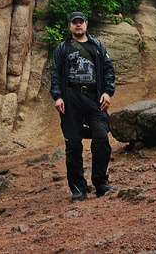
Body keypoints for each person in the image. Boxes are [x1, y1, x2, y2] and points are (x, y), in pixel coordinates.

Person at [50, 10, 116, 201]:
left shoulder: (97, 47)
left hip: (95, 97)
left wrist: (107, 92)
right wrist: (58, 96)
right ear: (70, 26)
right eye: (74, 23)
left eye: (81, 22)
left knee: (102, 138)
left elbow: (108, 70)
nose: (78, 25)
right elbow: (55, 74)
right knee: (73, 144)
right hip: (71, 98)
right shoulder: (63, 48)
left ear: (86, 25)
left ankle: (101, 184)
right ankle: (78, 188)